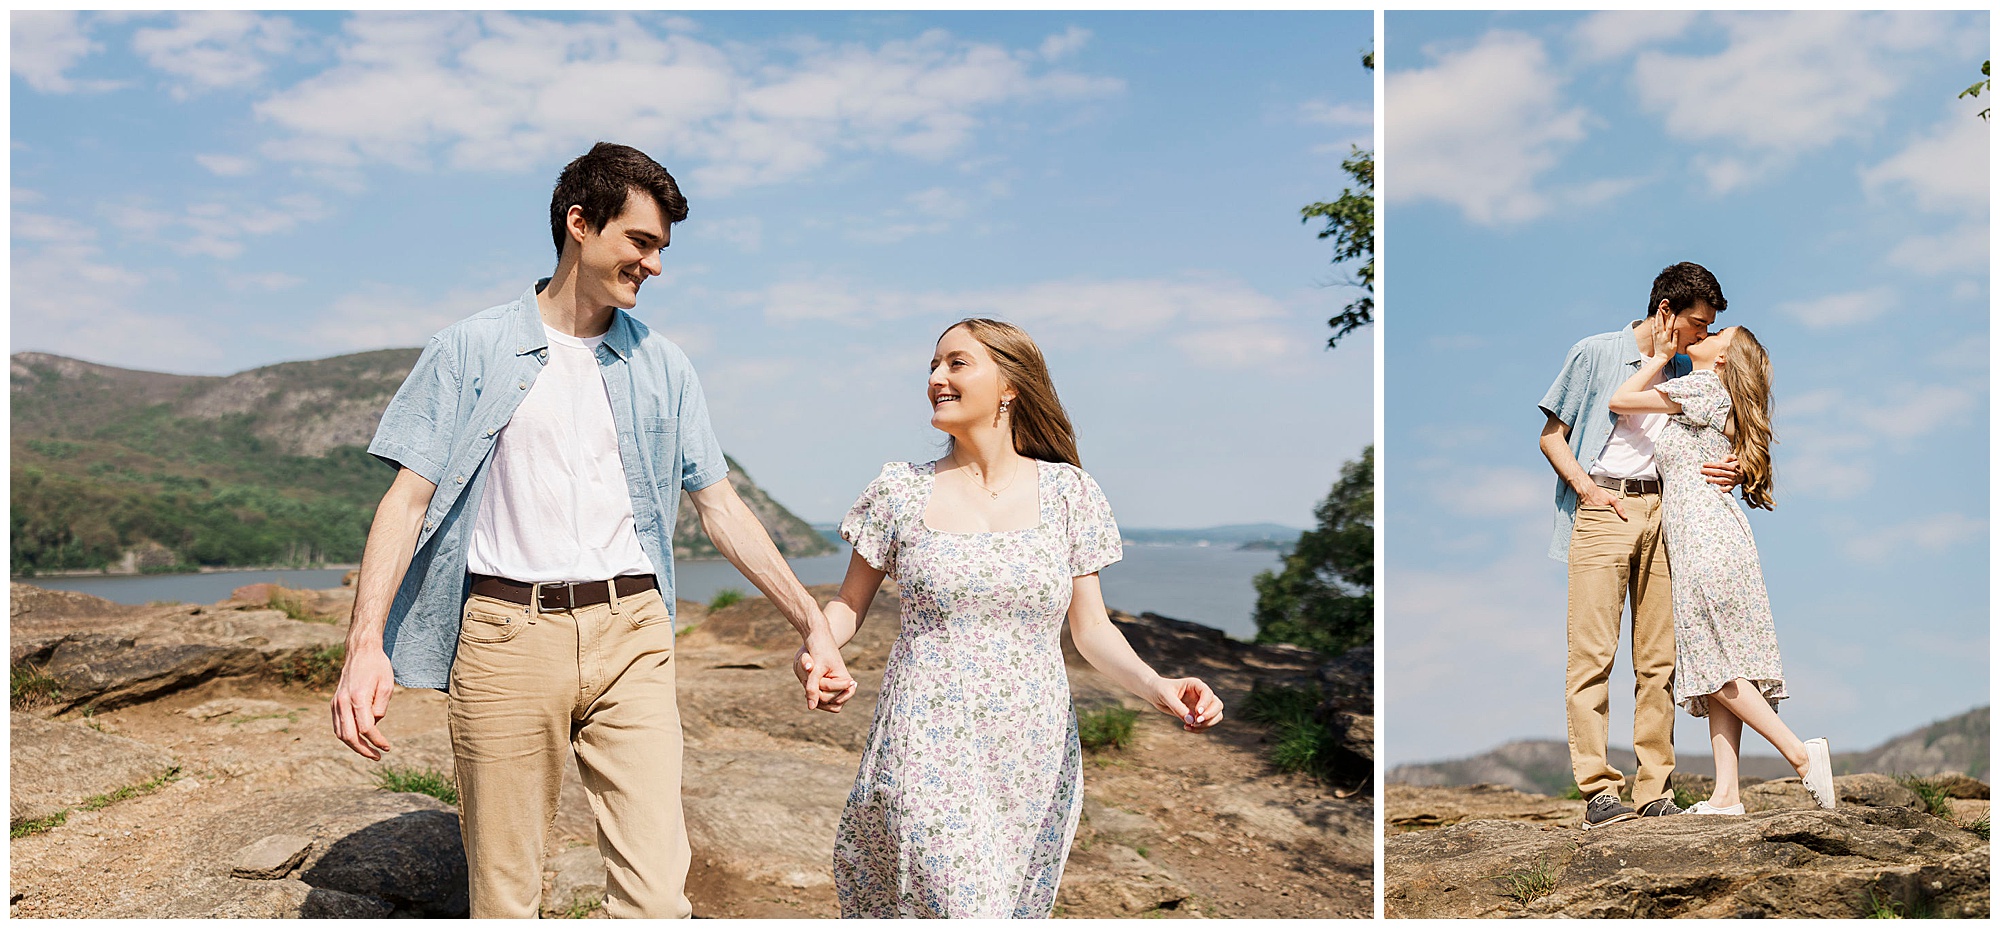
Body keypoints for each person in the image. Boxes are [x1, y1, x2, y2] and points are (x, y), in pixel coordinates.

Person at [328, 141, 858, 918]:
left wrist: (812, 622)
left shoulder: (665, 365)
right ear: (580, 223)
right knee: (507, 896)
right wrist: (364, 643)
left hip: (633, 631)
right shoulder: (470, 347)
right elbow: (408, 500)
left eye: (662, 249)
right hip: (506, 636)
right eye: (641, 242)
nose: (655, 265)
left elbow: (721, 505)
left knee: (655, 899)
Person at [795, 318, 1224, 917]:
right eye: (933, 366)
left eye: (956, 363)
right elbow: (847, 607)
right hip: (926, 736)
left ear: (1009, 385)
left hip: (1032, 747)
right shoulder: (898, 492)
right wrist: (819, 651)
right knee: (956, 901)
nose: (936, 378)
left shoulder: (1071, 493)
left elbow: (1091, 630)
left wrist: (1159, 686)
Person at [1536, 261, 1741, 829]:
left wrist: (1737, 467)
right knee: (1592, 657)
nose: (1705, 335)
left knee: (1660, 661)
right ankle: (1600, 790)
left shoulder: (1693, 369)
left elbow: (1738, 432)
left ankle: (1656, 790)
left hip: (1669, 514)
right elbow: (1552, 436)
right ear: (1664, 313)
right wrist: (1585, 490)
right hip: (1605, 507)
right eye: (1699, 324)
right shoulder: (1595, 353)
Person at [1610, 322, 1836, 814]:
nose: (1704, 335)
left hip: (1705, 542)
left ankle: (1800, 755)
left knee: (1715, 668)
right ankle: (1727, 794)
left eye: (1718, 334)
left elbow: (1622, 400)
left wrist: (1656, 358)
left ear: (1724, 359)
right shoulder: (1718, 394)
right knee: (1721, 661)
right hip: (1715, 538)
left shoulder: (1702, 385)